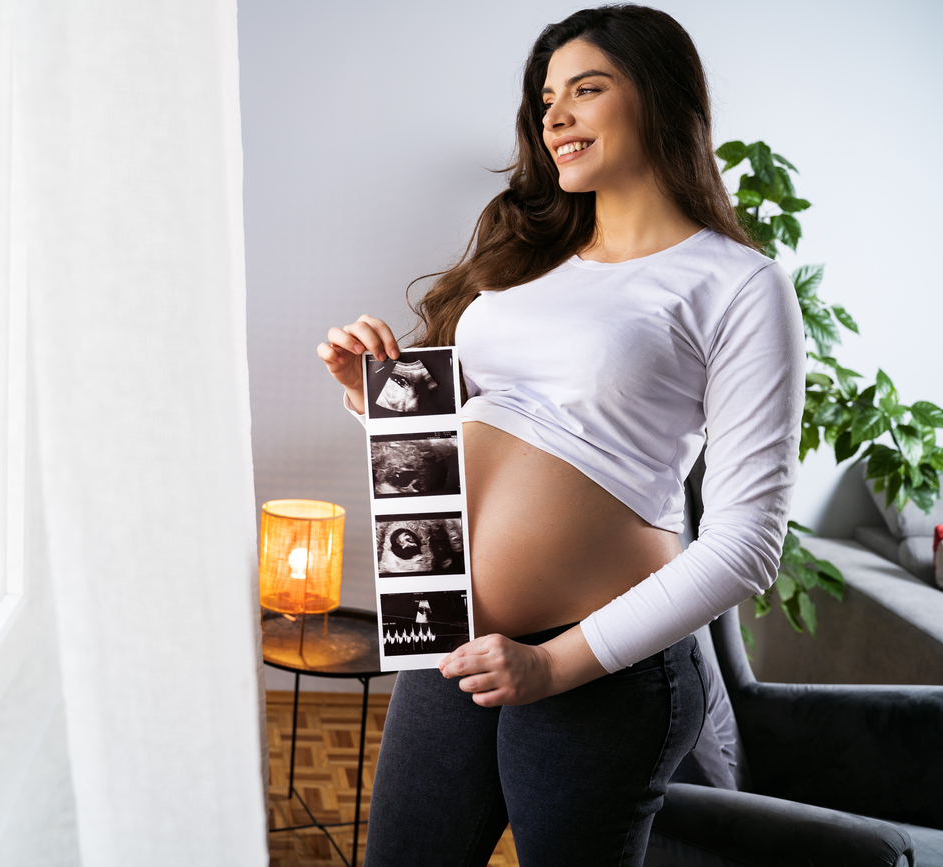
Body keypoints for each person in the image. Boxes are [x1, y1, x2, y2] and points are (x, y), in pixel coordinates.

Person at [315, 6, 805, 866]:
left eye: (587, 88)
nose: (554, 116)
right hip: (447, 634)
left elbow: (747, 545)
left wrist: (555, 667)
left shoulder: (740, 284)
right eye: (547, 98)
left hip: (600, 669)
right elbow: (486, 424)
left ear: (661, 100)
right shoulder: (526, 257)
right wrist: (376, 400)